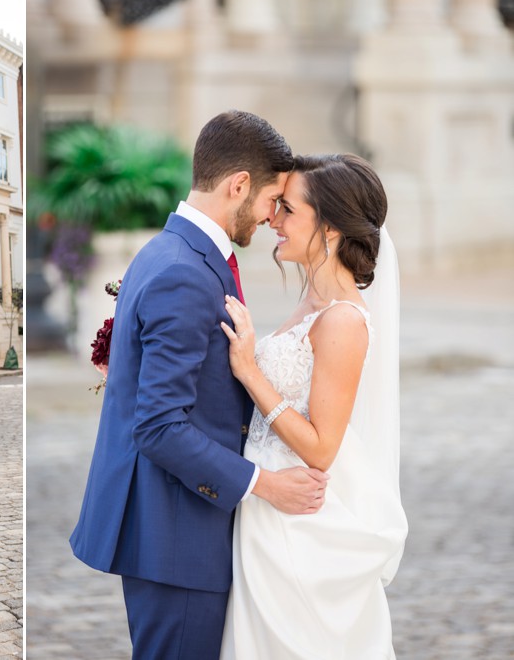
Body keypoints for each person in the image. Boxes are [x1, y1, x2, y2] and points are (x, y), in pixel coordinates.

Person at [70, 110, 330, 660]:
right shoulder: (185, 270)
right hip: (175, 535)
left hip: (177, 528)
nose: (271, 217)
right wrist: (265, 484)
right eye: (270, 201)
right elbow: (160, 427)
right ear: (238, 185)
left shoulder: (172, 250)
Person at [219, 154, 408, 658]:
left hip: (297, 522)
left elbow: (322, 449)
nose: (273, 221)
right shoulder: (311, 304)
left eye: (288, 211)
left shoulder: (345, 320)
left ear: (328, 227)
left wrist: (250, 370)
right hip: (262, 504)